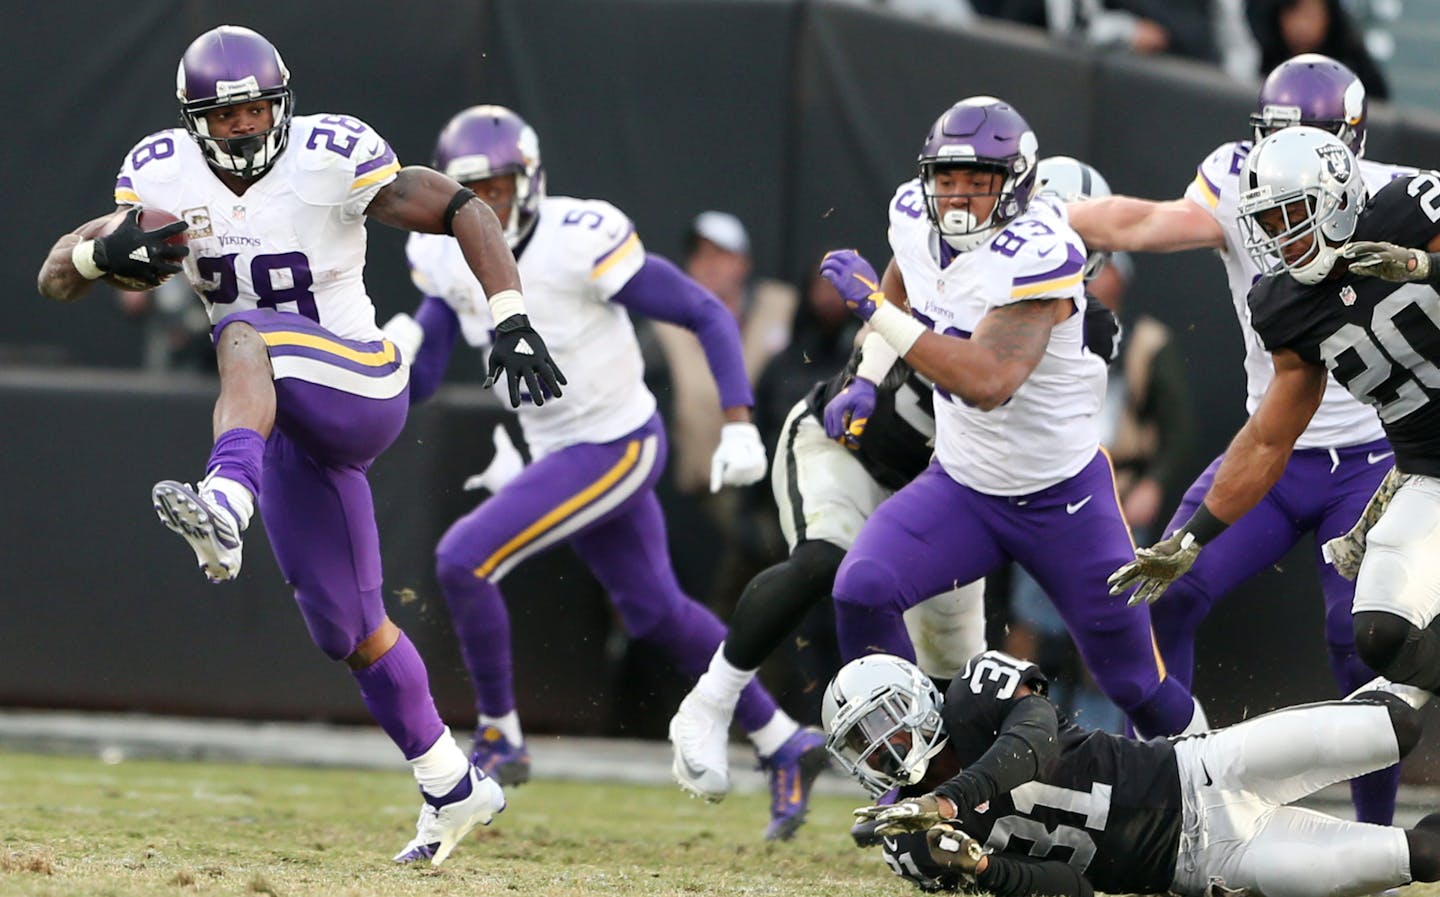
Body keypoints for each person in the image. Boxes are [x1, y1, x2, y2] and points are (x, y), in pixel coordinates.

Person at [34, 26, 566, 867]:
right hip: (276, 419)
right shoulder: (161, 174)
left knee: (243, 329)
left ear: (281, 103)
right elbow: (55, 275)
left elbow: (461, 205)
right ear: (193, 120)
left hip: (360, 384)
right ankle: (453, 785)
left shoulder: (330, 156)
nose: (245, 125)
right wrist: (102, 252)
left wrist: (511, 316)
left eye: (256, 108)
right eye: (227, 113)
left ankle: (224, 503)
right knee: (347, 628)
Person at [391, 104, 827, 842]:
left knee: (462, 559)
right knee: (658, 612)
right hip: (554, 447)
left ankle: (499, 733)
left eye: (499, 187)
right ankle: (786, 738)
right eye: (473, 190)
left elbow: (704, 312)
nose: (486, 205)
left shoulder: (575, 239)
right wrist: (392, 349)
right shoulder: (438, 255)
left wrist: (740, 419)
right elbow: (427, 374)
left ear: (528, 182)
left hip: (615, 440)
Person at [1067, 52, 1413, 825]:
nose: (1276, 174)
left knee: (1358, 642)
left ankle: (1376, 833)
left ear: (1346, 148)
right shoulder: (1236, 183)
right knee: (1164, 593)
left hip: (1374, 457)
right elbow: (1144, 222)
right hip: (1271, 450)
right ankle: (1162, 804)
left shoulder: (1395, 196)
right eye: (1269, 142)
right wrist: (1033, 215)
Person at [815, 96, 1205, 740]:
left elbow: (987, 381)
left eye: (980, 182)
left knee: (1134, 682)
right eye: (948, 180)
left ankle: (1214, 786)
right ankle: (920, 782)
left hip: (1063, 500)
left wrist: (872, 310)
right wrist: (867, 375)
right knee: (862, 590)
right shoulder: (914, 214)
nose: (960, 197)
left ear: (1017, 185)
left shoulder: (1041, 250)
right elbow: (907, 284)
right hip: (964, 484)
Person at [1111, 126, 1440, 742]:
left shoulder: (1409, 209)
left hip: (1394, 462)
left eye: (1294, 214)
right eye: (1269, 222)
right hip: (1430, 471)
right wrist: (1193, 539)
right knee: (1378, 634)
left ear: (1340, 198)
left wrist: (1427, 265)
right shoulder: (1287, 305)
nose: (1282, 237)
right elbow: (1269, 438)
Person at [822, 650, 1440, 897]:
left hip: (1203, 769)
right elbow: (1075, 891)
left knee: (1395, 728)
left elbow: (1033, 742)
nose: (885, 750)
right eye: (866, 748)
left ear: (916, 702)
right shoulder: (912, 843)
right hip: (1208, 865)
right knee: (1420, 858)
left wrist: (954, 800)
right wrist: (984, 869)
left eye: (887, 727)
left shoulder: (973, 697)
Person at [1248, 0, 1390, 100]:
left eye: (1310, 15)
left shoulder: (1356, 68)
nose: (1301, 26)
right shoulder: (1266, 62)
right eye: (1293, 13)